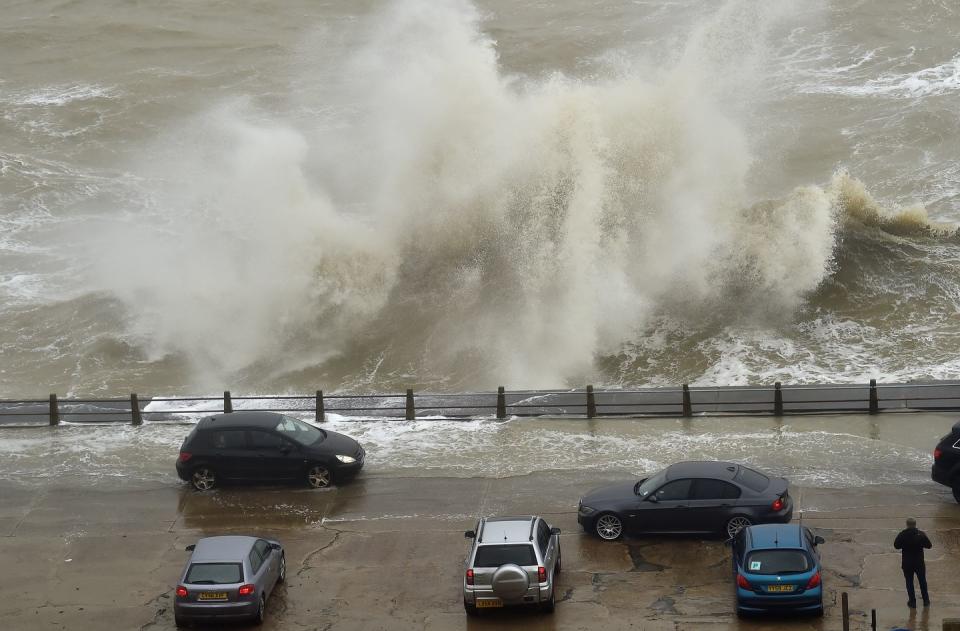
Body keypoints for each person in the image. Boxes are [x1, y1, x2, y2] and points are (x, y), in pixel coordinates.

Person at [893, 517, 932, 608]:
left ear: (907, 525)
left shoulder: (902, 535)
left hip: (907, 563)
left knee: (909, 582)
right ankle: (926, 601)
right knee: (922, 581)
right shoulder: (921, 534)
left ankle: (912, 602)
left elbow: (896, 546)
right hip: (919, 563)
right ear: (915, 524)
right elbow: (929, 546)